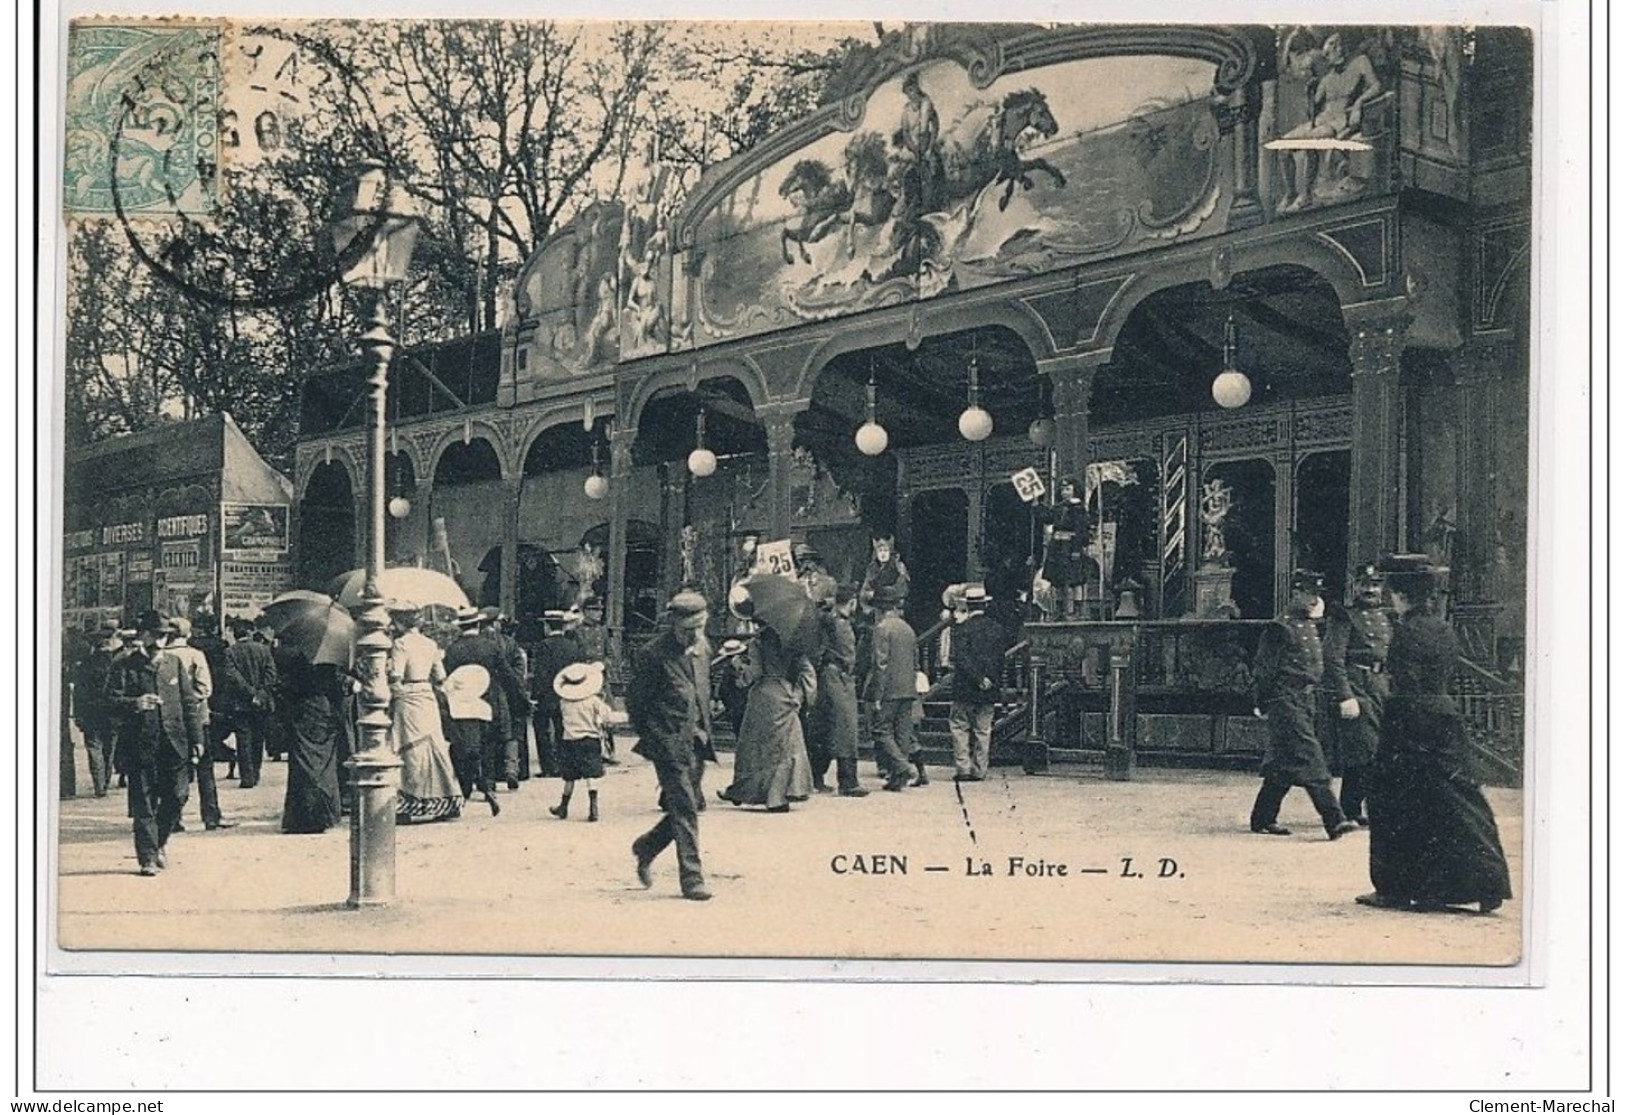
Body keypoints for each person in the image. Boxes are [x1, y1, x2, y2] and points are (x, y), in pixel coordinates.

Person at [1357, 555, 1512, 914]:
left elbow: (1406, 683)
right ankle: (1487, 884)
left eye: (1392, 592)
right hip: (1446, 719)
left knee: (1391, 801)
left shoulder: (1406, 631)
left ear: (1400, 594)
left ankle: (1395, 889)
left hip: (1410, 720)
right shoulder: (1442, 628)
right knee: (1459, 798)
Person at [1248, 570, 1360, 840]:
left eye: (1317, 594)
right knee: (1311, 759)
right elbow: (1264, 671)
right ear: (1295, 593)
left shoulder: (1309, 624)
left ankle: (1262, 818)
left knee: (1283, 762)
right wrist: (1260, 702)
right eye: (1308, 593)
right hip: (1285, 701)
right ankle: (1334, 820)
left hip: (1307, 700)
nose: (1314, 599)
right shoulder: (1280, 627)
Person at [626, 590, 713, 901]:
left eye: (700, 627)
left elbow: (701, 688)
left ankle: (647, 846)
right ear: (675, 625)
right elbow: (636, 704)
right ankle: (692, 878)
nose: (696, 636)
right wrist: (656, 737)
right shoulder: (652, 655)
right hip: (667, 743)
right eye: (689, 630)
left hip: (697, 740)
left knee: (682, 806)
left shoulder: (703, 648)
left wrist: (704, 721)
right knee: (687, 806)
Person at [107, 612, 190, 875]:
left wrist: (198, 740)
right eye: (154, 634)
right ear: (142, 635)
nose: (159, 640)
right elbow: (108, 701)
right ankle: (147, 858)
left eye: (164, 635)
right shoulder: (123, 664)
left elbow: (189, 703)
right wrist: (135, 703)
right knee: (143, 801)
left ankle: (160, 840)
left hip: (173, 742)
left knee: (177, 796)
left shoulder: (174, 663)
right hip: (139, 742)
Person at [1276, 31, 1385, 213]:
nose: (1331, 51)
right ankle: (1290, 193)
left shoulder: (1360, 62)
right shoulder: (1327, 77)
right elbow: (1314, 106)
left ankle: (1306, 195)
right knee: (1283, 147)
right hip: (1321, 119)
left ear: (1344, 46)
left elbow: (1376, 85)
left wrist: (1358, 104)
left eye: (1335, 45)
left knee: (1310, 141)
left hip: (1339, 121)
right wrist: (1309, 91)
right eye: (1328, 49)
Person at [718, 625, 817, 812]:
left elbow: (752, 674)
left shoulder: (758, 643)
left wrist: (738, 666)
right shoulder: (793, 644)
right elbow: (807, 671)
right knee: (788, 745)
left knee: (754, 746)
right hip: (786, 694)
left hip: (764, 696)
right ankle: (782, 794)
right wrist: (799, 695)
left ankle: (744, 791)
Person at [1324, 563, 1392, 825]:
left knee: (1378, 751)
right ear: (1356, 586)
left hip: (1382, 687)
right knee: (1363, 750)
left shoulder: (1387, 617)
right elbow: (1333, 657)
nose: (1370, 590)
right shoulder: (1345, 616)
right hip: (1358, 687)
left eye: (1375, 585)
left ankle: (1353, 808)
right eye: (1365, 584)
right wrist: (1345, 695)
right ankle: (1351, 808)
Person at [389, 607, 467, 822]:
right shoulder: (430, 644)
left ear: (402, 623)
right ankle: (446, 800)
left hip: (409, 698)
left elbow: (396, 676)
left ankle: (409, 803)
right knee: (435, 747)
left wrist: (392, 693)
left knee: (409, 750)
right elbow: (440, 676)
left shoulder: (401, 644)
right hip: (427, 696)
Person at [444, 607, 529, 795]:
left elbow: (447, 678)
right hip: (489, 701)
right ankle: (489, 783)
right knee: (488, 742)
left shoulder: (452, 649)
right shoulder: (490, 647)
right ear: (477, 624)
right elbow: (508, 676)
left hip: (461, 703)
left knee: (464, 742)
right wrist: (522, 698)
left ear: (461, 627)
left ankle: (466, 785)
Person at [162, 617, 233, 832]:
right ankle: (211, 815)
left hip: (169, 720)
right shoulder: (195, 655)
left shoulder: (162, 656)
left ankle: (173, 817)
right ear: (188, 634)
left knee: (173, 768)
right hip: (198, 718)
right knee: (205, 768)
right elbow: (205, 688)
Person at [274, 641, 344, 835]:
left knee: (301, 764)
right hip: (323, 712)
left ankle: (302, 818)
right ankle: (324, 814)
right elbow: (336, 689)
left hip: (303, 713)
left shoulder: (291, 658)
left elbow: (284, 687)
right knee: (325, 766)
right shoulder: (330, 660)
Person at [548, 661, 624, 822]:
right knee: (591, 775)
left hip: (570, 740)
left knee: (569, 776)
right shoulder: (593, 701)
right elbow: (607, 716)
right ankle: (593, 807)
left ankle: (563, 806)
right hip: (590, 740)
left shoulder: (564, 702)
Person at [948, 586, 1011, 782]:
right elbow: (1001, 659)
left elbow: (961, 658)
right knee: (983, 730)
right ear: (985, 604)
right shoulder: (997, 629)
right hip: (989, 688)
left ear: (967, 605)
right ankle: (980, 769)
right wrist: (989, 679)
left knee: (960, 726)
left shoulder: (961, 629)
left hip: (965, 687)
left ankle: (963, 768)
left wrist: (977, 678)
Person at [867, 583, 925, 791]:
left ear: (879, 608)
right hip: (908, 688)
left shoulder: (882, 629)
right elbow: (916, 661)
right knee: (902, 733)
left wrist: (877, 694)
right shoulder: (907, 628)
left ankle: (902, 767)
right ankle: (897, 778)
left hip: (890, 688)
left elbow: (880, 664)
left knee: (881, 729)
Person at [813, 585, 868, 797]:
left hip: (834, 676)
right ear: (852, 602)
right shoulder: (837, 622)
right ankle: (848, 781)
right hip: (838, 677)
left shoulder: (833, 620)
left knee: (827, 727)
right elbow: (848, 655)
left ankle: (818, 775)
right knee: (846, 727)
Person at [222, 615, 278, 789]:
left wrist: (249, 693)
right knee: (258, 738)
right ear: (249, 632)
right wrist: (259, 694)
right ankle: (256, 772)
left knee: (243, 739)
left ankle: (246, 777)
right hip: (261, 703)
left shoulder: (230, 652)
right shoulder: (264, 650)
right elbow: (271, 675)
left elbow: (232, 677)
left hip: (240, 703)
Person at [531, 609, 586, 780]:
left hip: (547, 695)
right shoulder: (573, 647)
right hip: (568, 694)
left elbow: (540, 673)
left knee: (542, 730)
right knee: (564, 729)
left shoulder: (543, 646)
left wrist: (535, 695)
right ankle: (565, 765)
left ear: (547, 626)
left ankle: (548, 766)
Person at [1034, 478, 1096, 620]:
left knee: (1075, 580)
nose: (1065, 493)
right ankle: (1059, 609)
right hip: (1057, 546)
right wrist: (1037, 505)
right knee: (1057, 580)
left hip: (1071, 546)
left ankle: (1077, 610)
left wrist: (1076, 549)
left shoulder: (1079, 509)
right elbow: (1047, 517)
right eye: (1063, 490)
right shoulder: (1058, 508)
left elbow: (1082, 530)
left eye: (1068, 489)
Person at [71, 626, 122, 797]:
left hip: (91, 713)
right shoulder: (117, 663)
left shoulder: (85, 664)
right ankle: (105, 781)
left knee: (94, 749)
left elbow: (78, 693)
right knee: (109, 749)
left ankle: (99, 784)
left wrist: (78, 715)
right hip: (112, 712)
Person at [859, 533, 911, 617]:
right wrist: (866, 605)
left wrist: (877, 593)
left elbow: (901, 590)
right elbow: (865, 591)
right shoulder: (872, 569)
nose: (883, 554)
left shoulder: (899, 566)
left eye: (886, 550)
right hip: (875, 610)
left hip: (893, 608)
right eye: (880, 550)